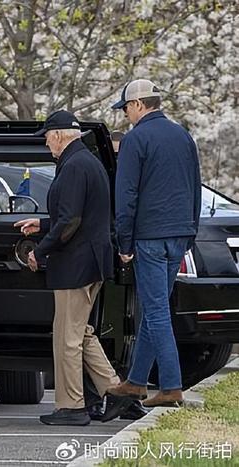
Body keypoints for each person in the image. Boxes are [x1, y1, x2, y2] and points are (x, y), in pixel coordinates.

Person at [15, 110, 130, 425]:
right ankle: (117, 390)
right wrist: (41, 224)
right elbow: (80, 216)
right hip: (89, 261)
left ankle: (72, 407)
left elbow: (71, 222)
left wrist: (41, 250)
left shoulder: (74, 167)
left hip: (75, 263)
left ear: (57, 135)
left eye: (47, 138)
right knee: (82, 333)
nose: (47, 145)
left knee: (66, 337)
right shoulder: (87, 162)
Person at [106, 79, 201, 409]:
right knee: (154, 308)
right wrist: (191, 230)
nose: (125, 116)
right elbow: (195, 186)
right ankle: (135, 381)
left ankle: (172, 386)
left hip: (149, 237)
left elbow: (127, 195)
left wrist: (124, 242)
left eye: (126, 110)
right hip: (179, 235)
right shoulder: (183, 136)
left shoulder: (136, 139)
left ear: (137, 105)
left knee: (157, 310)